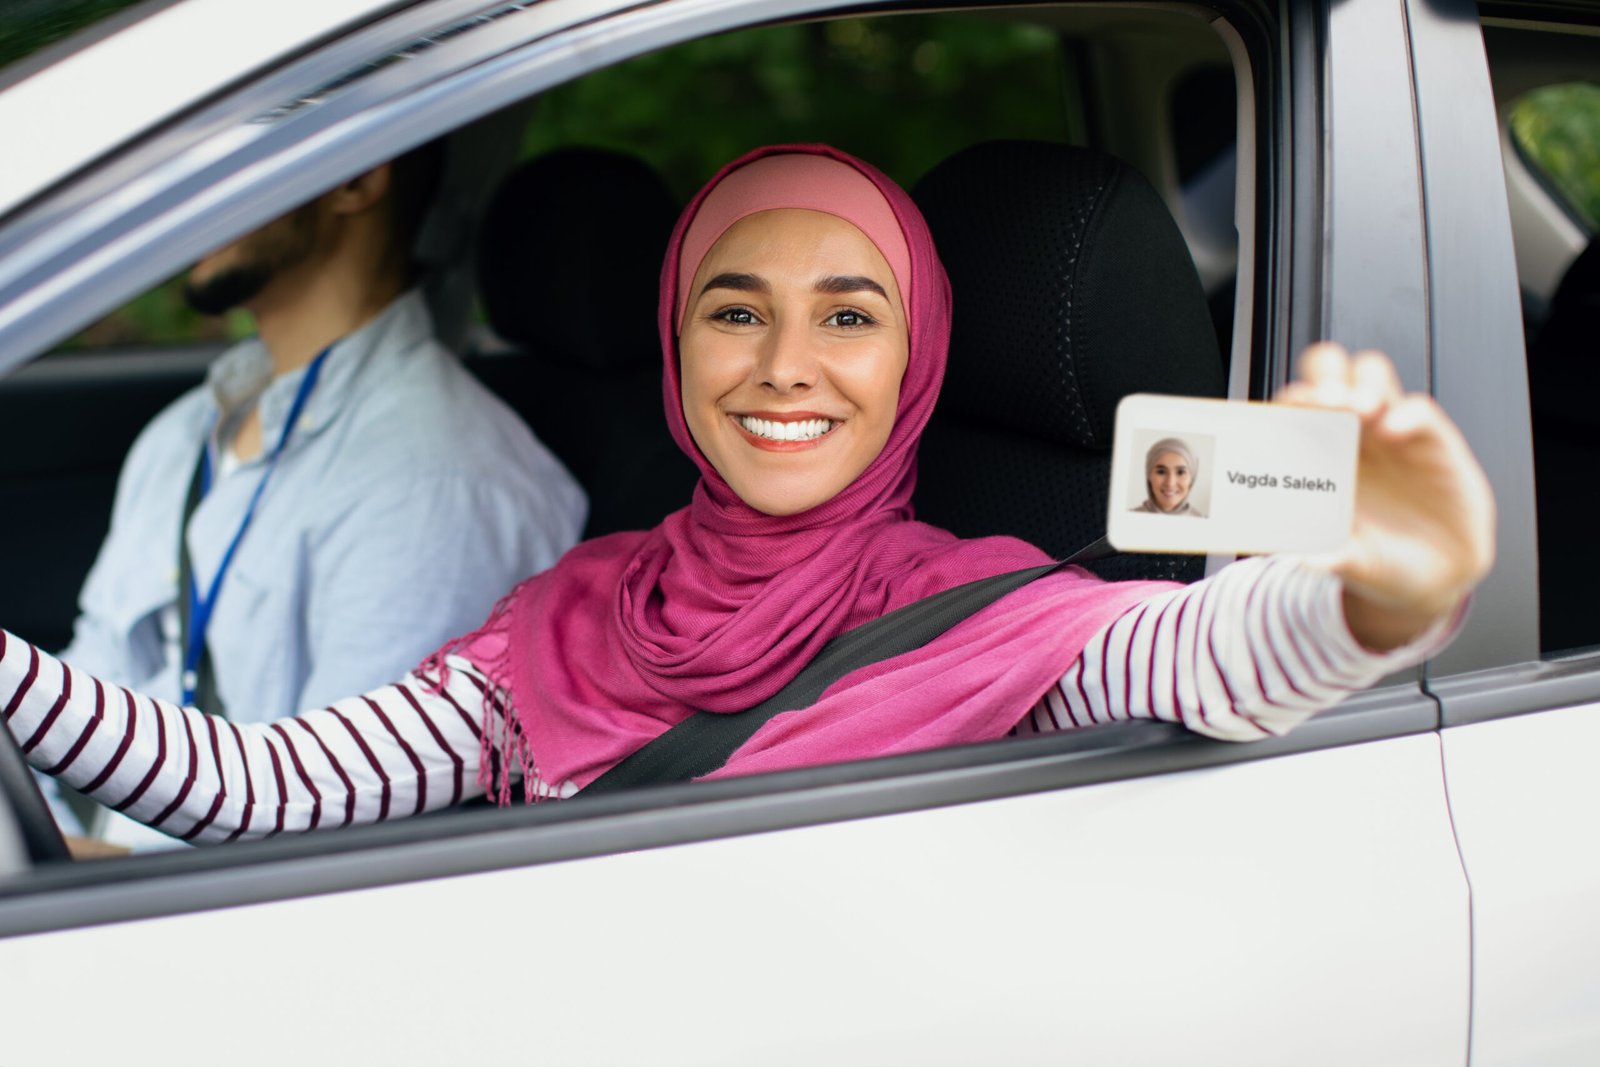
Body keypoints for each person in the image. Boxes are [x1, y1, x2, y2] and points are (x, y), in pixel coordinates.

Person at [2, 144, 1494, 843]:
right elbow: (265, 784)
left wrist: (1384, 595)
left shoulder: (984, 608)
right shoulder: (581, 608)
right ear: (674, 336)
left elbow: (1199, 652)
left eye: (850, 314)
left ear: (917, 357)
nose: (787, 365)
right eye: (736, 309)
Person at [43, 143, 586, 845]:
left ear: (357, 176)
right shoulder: (185, 433)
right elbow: (89, 677)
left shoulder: (439, 482)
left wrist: (63, 871)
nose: (189, 190)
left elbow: (326, 849)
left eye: (232, 154)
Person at [1132, 437, 1204, 516]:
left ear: (1192, 478)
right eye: (1161, 472)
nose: (1170, 483)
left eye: (1180, 472)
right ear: (1149, 476)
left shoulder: (1205, 524)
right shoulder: (1125, 519)